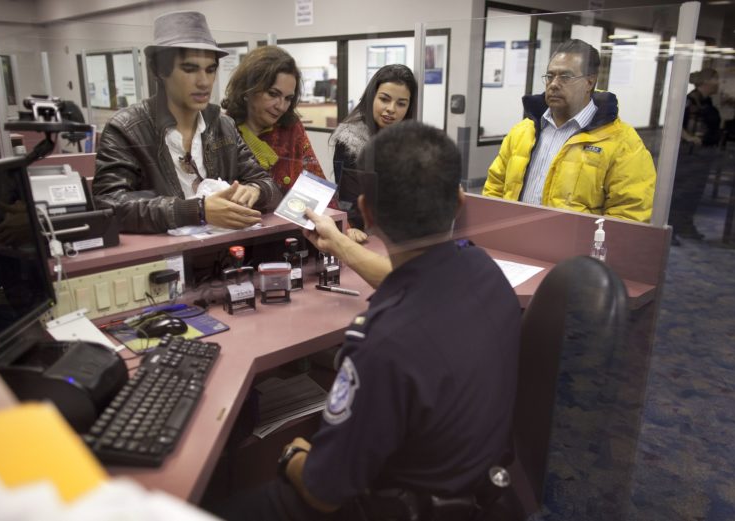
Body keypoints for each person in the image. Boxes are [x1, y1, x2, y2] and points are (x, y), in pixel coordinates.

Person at [213, 121, 521, 521]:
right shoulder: (484, 270)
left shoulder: (383, 342)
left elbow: (324, 495)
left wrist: (292, 453)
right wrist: (339, 243)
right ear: (461, 201)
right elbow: (416, 281)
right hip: (480, 492)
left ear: (366, 213)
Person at [93, 11, 280, 234]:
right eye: (190, 69)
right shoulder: (126, 129)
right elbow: (110, 205)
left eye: (210, 70)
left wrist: (255, 190)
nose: (204, 82)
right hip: (165, 259)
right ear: (159, 70)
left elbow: (268, 184)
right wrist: (196, 210)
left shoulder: (223, 126)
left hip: (224, 252)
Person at [482, 39, 656, 223]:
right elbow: (495, 187)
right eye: (550, 76)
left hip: (576, 249)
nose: (554, 84)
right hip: (513, 242)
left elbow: (629, 213)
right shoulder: (522, 132)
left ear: (589, 82)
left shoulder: (623, 142)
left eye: (565, 77)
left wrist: (586, 248)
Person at [221, 46, 330, 197]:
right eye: (273, 94)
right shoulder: (223, 129)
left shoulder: (291, 128)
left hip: (293, 219)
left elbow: (316, 186)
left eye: (288, 98)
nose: (281, 107)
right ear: (248, 89)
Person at [331, 64, 418, 242]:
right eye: (385, 99)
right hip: (366, 234)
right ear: (372, 97)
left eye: (401, 103)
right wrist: (351, 227)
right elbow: (348, 197)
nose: (391, 109)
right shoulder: (351, 139)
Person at [668, 68, 721, 245]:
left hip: (703, 155)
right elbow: (674, 123)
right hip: (690, 156)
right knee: (681, 192)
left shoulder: (706, 102)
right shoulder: (690, 101)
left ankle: (685, 225)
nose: (718, 83)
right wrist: (690, 138)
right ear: (707, 81)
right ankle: (671, 229)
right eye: (715, 79)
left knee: (693, 193)